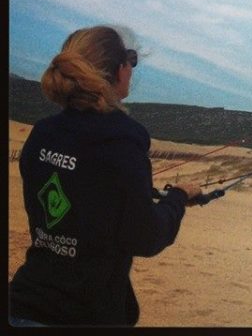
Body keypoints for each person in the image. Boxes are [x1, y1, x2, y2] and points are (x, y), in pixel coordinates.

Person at [9, 25, 202, 326]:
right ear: (120, 70)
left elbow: (82, 196)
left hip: (22, 305)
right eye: (130, 61)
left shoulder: (42, 133)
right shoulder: (122, 140)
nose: (132, 70)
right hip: (83, 315)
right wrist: (178, 197)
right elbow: (146, 236)